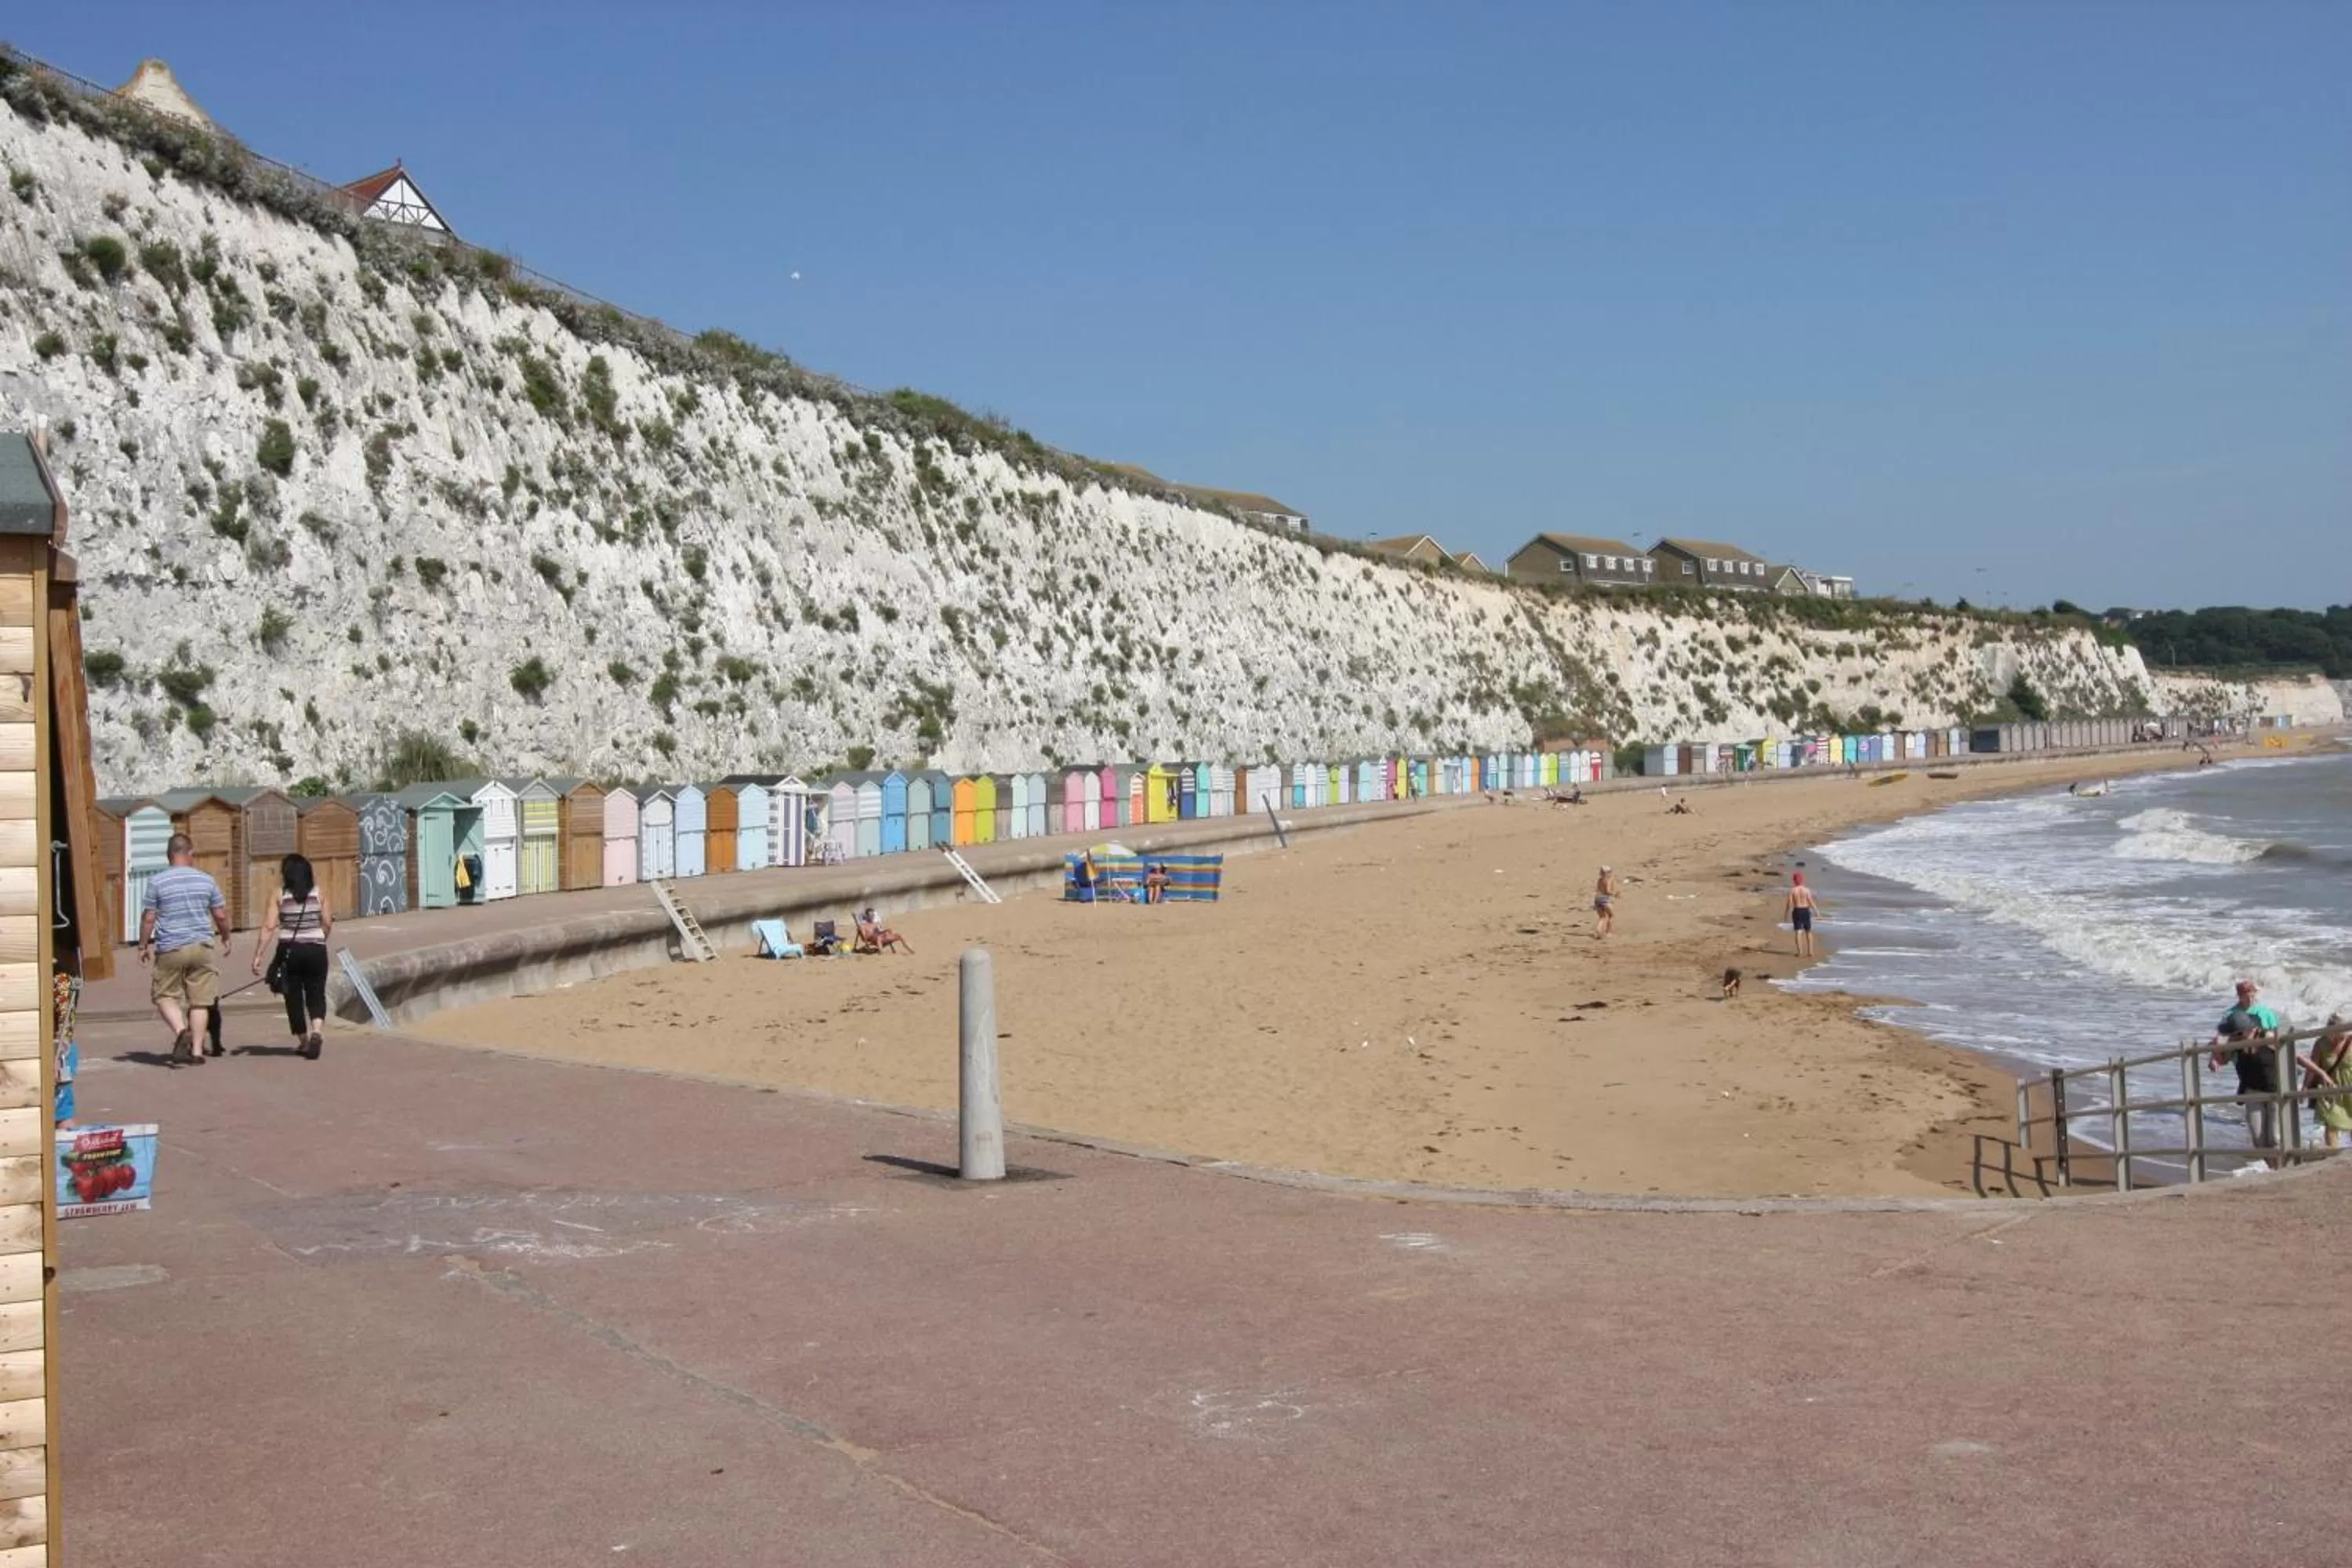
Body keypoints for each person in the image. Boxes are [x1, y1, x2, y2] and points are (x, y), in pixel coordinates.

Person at [251, 853, 332, 1058]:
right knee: (316, 992)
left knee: (293, 996)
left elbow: (269, 927)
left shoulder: (279, 894)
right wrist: (320, 938)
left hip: (290, 951)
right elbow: (327, 922)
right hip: (316, 949)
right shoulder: (318, 893)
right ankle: (317, 1032)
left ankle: (304, 1041)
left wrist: (258, 955)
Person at [2209, 979, 2285, 1162]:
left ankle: (2279, 1169)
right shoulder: (2230, 1015)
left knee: (2275, 1136)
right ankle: (2273, 1168)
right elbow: (2219, 1040)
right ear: (2239, 995)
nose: (2250, 996)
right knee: (2259, 1137)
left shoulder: (2265, 1013)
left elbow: (2280, 1041)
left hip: (2271, 1075)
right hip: (2247, 1072)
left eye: (2252, 992)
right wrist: (2215, 1057)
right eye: (2245, 993)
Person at [2297, 1013, 2352, 1151]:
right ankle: (2333, 1155)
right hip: (2330, 1088)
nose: (2342, 1036)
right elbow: (2312, 1068)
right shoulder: (2321, 1043)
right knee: (2331, 1123)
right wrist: (2305, 1087)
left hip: (2350, 1087)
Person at [1784, 872, 1820, 957]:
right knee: (1808, 931)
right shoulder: (1806, 890)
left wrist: (1786, 913)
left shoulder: (1793, 890)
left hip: (1797, 910)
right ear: (1802, 880)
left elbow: (1789, 903)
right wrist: (1817, 911)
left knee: (1798, 931)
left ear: (1794, 881)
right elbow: (1810, 901)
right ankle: (1810, 951)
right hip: (1805, 910)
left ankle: (1799, 952)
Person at [1592, 866, 1619, 938]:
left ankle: (1598, 930)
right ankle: (1608, 933)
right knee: (1611, 916)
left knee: (1602, 917)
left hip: (1597, 899)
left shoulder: (1600, 880)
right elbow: (1607, 891)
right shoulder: (1608, 880)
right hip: (1604, 899)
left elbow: (1598, 889)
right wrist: (1614, 894)